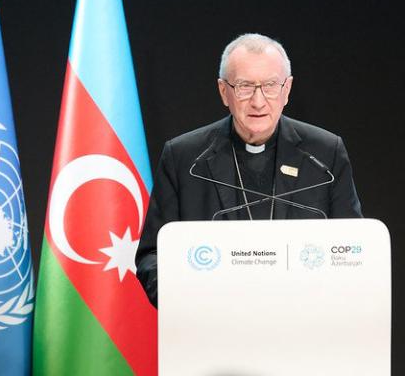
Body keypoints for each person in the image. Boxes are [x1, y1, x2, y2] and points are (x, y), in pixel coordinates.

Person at [135, 33, 362, 307]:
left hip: (301, 328)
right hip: (211, 330)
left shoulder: (325, 154)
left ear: (286, 90)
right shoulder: (184, 158)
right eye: (244, 86)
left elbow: (354, 251)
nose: (258, 101)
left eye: (269, 85)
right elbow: (151, 257)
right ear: (224, 92)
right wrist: (191, 306)